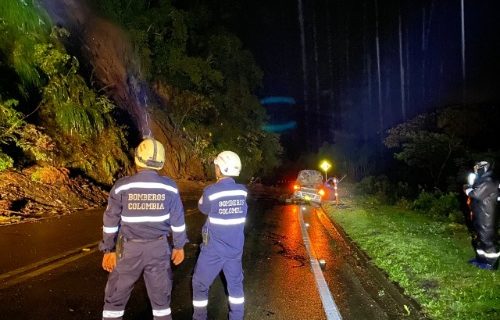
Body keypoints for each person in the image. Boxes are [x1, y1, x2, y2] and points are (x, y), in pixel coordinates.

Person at [99, 137, 188, 320]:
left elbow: (110, 222)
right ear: (161, 162)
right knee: (161, 305)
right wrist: (179, 246)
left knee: (115, 301)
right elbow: (178, 221)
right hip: (159, 249)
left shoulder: (122, 186)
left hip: (128, 251)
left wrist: (108, 249)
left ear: (137, 158)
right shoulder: (170, 188)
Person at [192, 151, 248, 320]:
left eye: (216, 166)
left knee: (199, 284)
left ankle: (199, 317)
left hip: (213, 251)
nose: (215, 168)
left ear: (221, 168)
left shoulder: (211, 191)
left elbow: (203, 207)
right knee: (236, 288)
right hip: (235, 250)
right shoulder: (242, 191)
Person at [463, 161, 500, 270]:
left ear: (484, 168)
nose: (476, 170)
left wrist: (467, 188)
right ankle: (481, 259)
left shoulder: (489, 181)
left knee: (487, 240)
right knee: (479, 238)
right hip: (479, 214)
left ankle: (491, 264)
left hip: (487, 216)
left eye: (478, 168)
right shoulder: (483, 179)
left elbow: (476, 194)